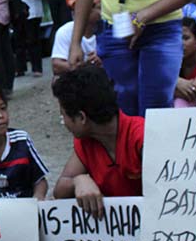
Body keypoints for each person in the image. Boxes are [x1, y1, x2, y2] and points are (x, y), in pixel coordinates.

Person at [52, 66, 144, 219]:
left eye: (64, 116)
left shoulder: (141, 136)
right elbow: (60, 190)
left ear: (81, 118)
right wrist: (79, 180)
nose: (64, 123)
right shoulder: (87, 141)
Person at [51, 0, 101, 76]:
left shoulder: (108, 27)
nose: (101, 12)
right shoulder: (65, 31)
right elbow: (56, 66)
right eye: (99, 8)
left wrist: (105, 58)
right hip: (80, 77)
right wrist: (83, 66)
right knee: (56, 81)